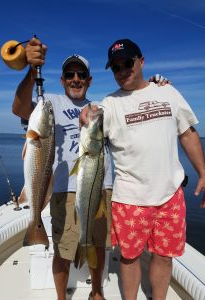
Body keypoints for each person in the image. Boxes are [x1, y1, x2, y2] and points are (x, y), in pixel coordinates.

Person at [12, 37, 171, 300]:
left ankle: (97, 291)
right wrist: (31, 70)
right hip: (66, 188)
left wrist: (155, 86)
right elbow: (19, 107)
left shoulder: (101, 107)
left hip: (102, 185)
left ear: (89, 80)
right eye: (70, 74)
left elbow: (137, 112)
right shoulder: (48, 104)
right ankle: (61, 297)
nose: (76, 79)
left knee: (98, 246)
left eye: (81, 74)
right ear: (62, 80)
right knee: (64, 250)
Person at [80, 38, 205, 300]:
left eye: (127, 63)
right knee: (129, 257)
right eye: (115, 67)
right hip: (129, 199)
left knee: (163, 256)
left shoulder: (168, 92)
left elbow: (188, 133)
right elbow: (95, 111)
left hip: (170, 195)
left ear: (141, 61)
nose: (122, 71)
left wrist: (203, 172)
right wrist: (89, 110)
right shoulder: (111, 103)